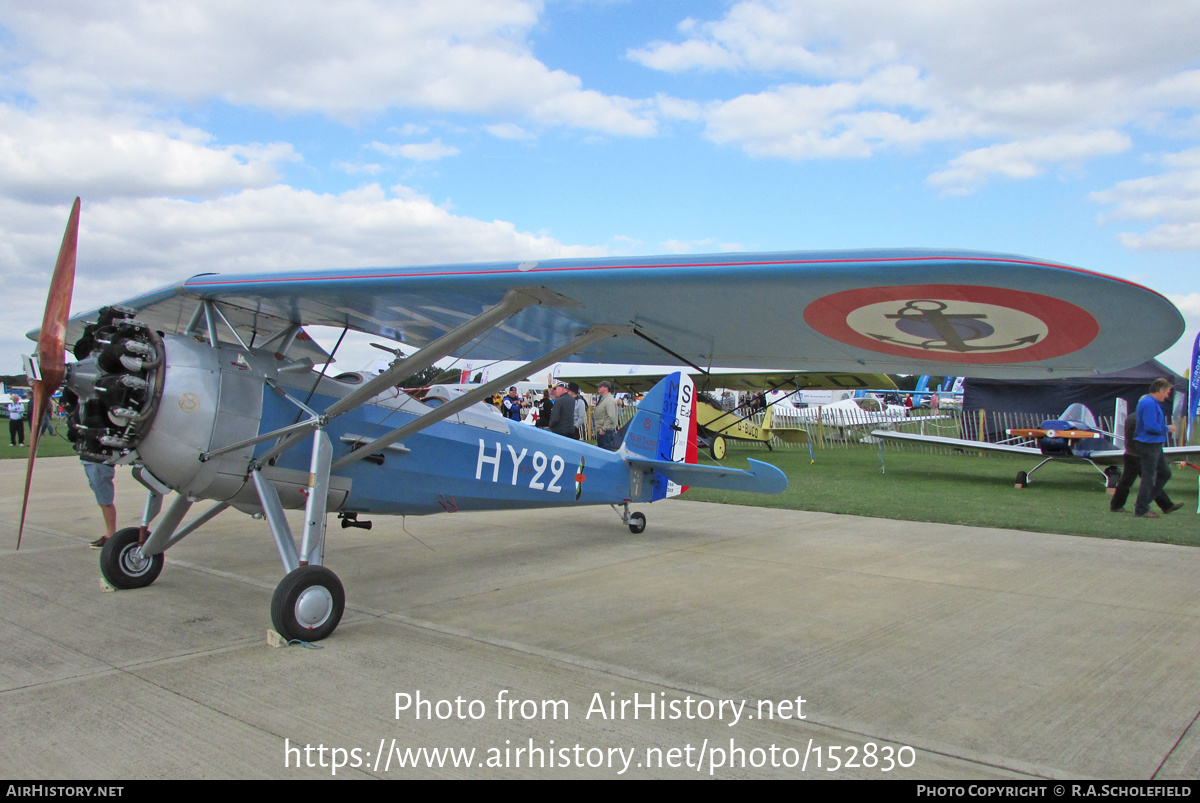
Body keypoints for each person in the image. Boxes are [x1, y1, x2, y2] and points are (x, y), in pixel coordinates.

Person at [1111, 407, 1184, 514]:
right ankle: (1117, 506)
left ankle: (1167, 506)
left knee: (1149, 482)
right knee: (1127, 482)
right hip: (1135, 456)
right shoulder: (1138, 419)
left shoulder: (1135, 417)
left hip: (1137, 454)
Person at [1132, 378, 1176, 518]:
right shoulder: (1149, 403)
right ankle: (1141, 509)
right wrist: (1167, 428)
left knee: (1165, 473)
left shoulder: (1149, 402)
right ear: (1161, 390)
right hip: (1149, 444)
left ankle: (1143, 503)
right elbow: (1151, 427)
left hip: (1154, 444)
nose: (1167, 396)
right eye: (1167, 392)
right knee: (1148, 478)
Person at [83, 460, 118, 549]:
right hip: (91, 461)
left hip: (98, 463)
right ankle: (109, 535)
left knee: (105, 501)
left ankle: (110, 535)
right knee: (103, 501)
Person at [593, 380, 619, 450]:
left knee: (607, 452)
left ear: (606, 388)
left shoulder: (609, 400)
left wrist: (604, 429)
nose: (598, 388)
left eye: (600, 386)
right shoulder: (603, 399)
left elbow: (611, 417)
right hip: (602, 431)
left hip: (606, 432)